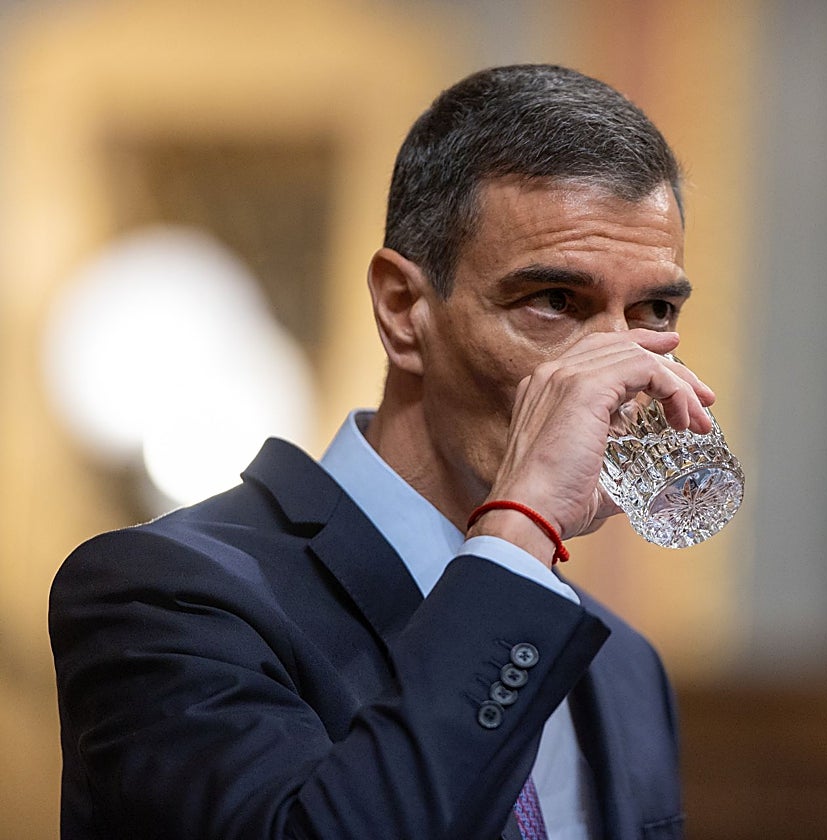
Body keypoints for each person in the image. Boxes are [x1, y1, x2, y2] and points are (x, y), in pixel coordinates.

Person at [49, 64, 715, 840]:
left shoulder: (625, 667)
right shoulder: (166, 595)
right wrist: (522, 521)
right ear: (403, 309)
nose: (617, 369)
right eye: (555, 301)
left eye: (654, 310)